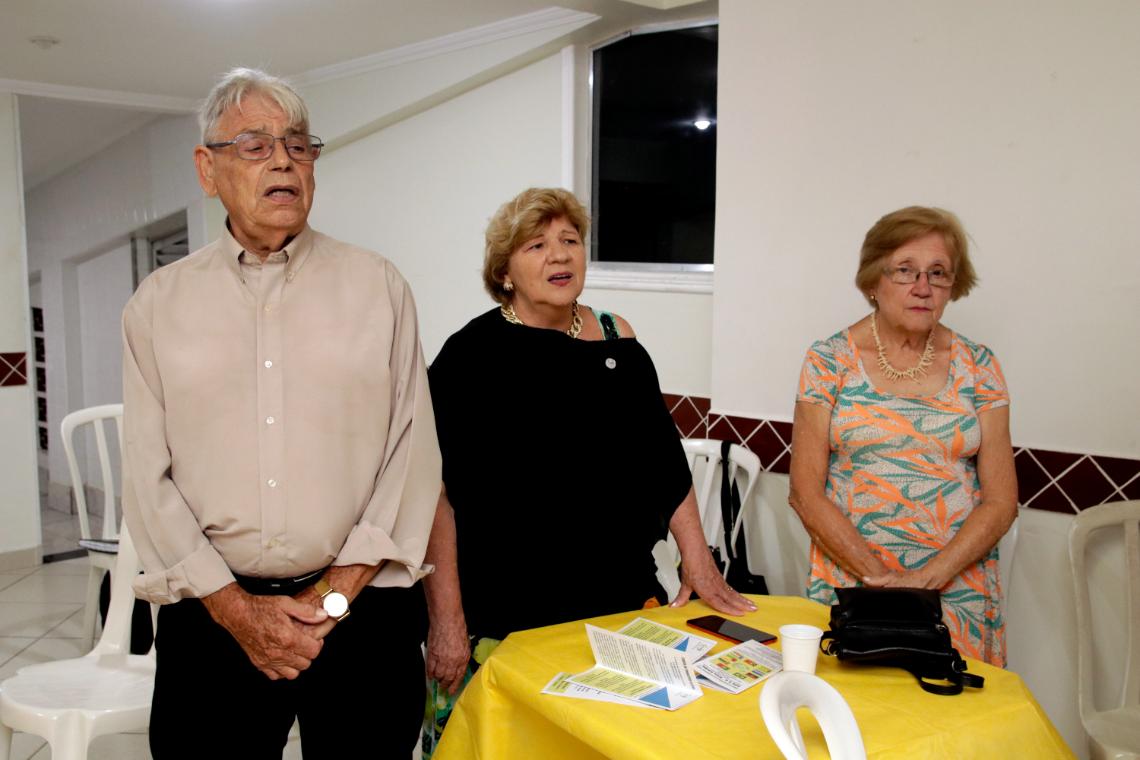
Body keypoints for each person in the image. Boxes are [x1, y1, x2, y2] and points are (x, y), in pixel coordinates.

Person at [121, 68, 440, 758]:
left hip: (362, 615)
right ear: (208, 169)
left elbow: (412, 455)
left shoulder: (378, 287)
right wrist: (235, 610)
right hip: (212, 619)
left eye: (298, 145)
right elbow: (147, 475)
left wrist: (334, 598)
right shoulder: (157, 305)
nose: (284, 162)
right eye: (255, 145)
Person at [420, 187, 754, 755]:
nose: (559, 255)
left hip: (619, 599)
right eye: (536, 245)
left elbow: (662, 461)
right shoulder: (470, 357)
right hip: (508, 610)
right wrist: (446, 619)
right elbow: (437, 495)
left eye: (570, 240)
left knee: (618, 744)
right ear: (504, 272)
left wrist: (699, 561)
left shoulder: (619, 338)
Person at [789, 206, 1017, 667]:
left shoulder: (979, 365)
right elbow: (804, 493)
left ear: (953, 285)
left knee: (951, 704)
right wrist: (881, 579)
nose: (923, 287)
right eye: (905, 271)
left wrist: (928, 578)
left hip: (956, 592)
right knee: (851, 706)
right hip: (854, 587)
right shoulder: (828, 361)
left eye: (938, 273)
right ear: (874, 279)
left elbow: (1001, 502)